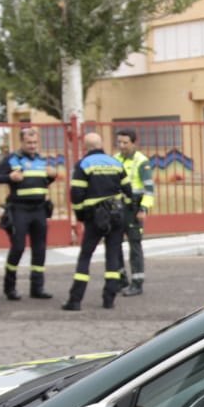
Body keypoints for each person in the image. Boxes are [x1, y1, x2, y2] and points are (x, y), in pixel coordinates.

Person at [62, 132, 129, 312]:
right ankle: (109, 299)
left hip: (94, 217)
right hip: (116, 215)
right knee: (112, 256)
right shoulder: (116, 163)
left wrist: (80, 215)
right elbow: (128, 190)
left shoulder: (84, 164)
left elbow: (76, 193)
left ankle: (75, 300)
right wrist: (126, 211)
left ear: (86, 147)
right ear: (101, 144)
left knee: (86, 256)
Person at [0, 123, 55, 300]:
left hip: (39, 210)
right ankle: (10, 288)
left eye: (35, 142)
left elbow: (40, 183)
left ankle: (37, 288)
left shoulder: (42, 160)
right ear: (21, 142)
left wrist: (51, 177)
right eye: (29, 143)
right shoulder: (12, 159)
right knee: (18, 248)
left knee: (40, 249)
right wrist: (9, 177)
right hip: (19, 210)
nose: (32, 146)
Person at [114, 130, 155, 297]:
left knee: (134, 245)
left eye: (125, 143)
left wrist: (143, 208)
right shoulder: (115, 160)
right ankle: (120, 279)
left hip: (134, 209)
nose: (122, 146)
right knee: (114, 244)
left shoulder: (141, 161)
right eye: (120, 142)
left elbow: (149, 189)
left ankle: (137, 282)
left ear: (133, 143)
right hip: (117, 208)